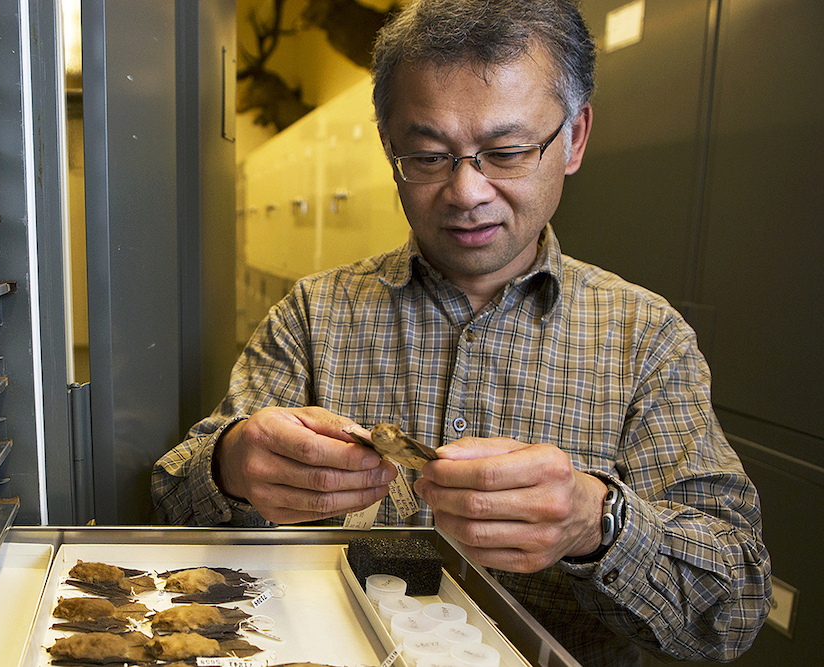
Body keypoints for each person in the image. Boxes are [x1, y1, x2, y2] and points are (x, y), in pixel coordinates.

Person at [152, 1, 771, 664]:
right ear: (390, 145)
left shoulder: (645, 340)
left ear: (575, 138)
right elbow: (170, 497)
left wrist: (598, 522)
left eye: (505, 152)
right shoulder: (314, 315)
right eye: (426, 155)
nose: (466, 191)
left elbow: (733, 607)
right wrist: (232, 465)